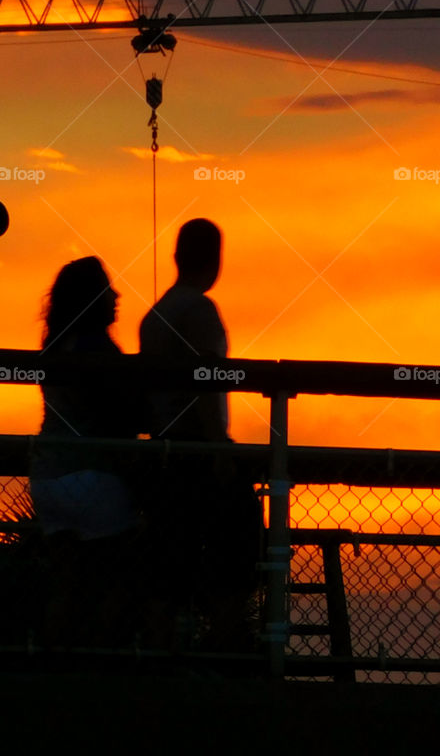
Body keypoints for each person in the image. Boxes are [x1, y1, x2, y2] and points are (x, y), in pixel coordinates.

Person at [138, 218, 261, 649]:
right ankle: (225, 644)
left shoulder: (155, 315)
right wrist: (219, 451)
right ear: (216, 260)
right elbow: (206, 381)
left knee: (170, 561)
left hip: (165, 451)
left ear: (176, 257)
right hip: (198, 450)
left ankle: (162, 656)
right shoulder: (198, 311)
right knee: (241, 550)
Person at [29, 257, 143, 646]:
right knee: (119, 580)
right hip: (94, 477)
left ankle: (54, 669)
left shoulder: (56, 345)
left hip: (48, 476)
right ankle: (102, 668)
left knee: (66, 586)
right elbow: (121, 413)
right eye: (107, 289)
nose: (116, 296)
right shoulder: (97, 348)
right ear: (92, 298)